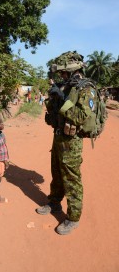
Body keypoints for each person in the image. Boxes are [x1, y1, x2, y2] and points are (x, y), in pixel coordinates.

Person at [36, 51, 92, 235]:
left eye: (63, 72)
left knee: (71, 179)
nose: (61, 75)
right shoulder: (65, 86)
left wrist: (61, 99)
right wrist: (52, 99)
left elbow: (81, 116)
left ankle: (73, 218)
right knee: (57, 173)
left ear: (73, 69)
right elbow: (54, 113)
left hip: (72, 141)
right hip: (59, 136)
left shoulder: (86, 89)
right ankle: (54, 203)